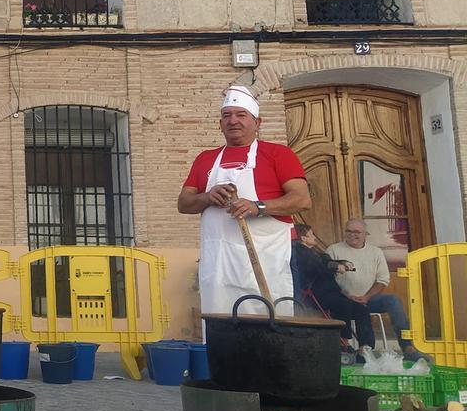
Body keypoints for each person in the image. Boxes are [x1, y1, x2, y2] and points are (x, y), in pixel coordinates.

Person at [177, 85, 312, 318]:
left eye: (241, 115)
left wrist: (258, 207)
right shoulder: (205, 159)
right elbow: (184, 203)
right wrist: (207, 197)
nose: (233, 121)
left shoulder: (278, 154)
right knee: (221, 321)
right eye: (227, 115)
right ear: (220, 124)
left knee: (274, 320)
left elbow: (302, 199)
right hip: (219, 262)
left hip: (269, 257)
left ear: (257, 122)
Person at [326, 219, 433, 362]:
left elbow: (383, 280)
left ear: (366, 234)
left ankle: (408, 348)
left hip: (368, 299)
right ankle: (352, 349)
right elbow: (327, 279)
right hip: (343, 300)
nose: (352, 234)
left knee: (393, 301)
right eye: (349, 231)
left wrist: (367, 297)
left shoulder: (375, 252)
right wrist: (346, 295)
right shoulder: (333, 250)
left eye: (357, 232)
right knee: (343, 304)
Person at [292, 224, 373, 362]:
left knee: (361, 309)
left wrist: (342, 263)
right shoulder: (299, 252)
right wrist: (336, 266)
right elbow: (318, 265)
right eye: (311, 234)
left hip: (330, 292)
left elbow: (325, 260)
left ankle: (366, 348)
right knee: (344, 304)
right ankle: (344, 343)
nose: (315, 237)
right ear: (304, 238)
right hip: (316, 295)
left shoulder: (313, 251)